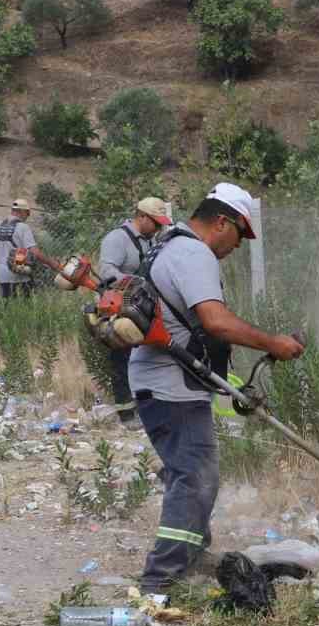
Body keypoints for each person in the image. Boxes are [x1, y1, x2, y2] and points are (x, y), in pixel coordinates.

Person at [131, 182, 304, 594]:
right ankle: (162, 578)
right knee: (196, 478)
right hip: (169, 386)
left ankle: (190, 556)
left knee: (189, 476)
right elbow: (215, 321)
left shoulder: (169, 246)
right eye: (241, 235)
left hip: (166, 382)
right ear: (222, 222)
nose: (239, 246)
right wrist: (273, 342)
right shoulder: (193, 252)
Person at [95, 197, 172, 427]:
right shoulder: (117, 239)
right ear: (142, 217)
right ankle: (126, 413)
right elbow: (107, 271)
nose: (158, 228)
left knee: (141, 358)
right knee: (121, 358)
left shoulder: (149, 240)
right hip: (116, 308)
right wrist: (137, 281)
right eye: (156, 223)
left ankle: (143, 406)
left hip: (136, 307)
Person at [0, 199, 43, 299]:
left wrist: (0, 260)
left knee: (8, 305)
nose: (27, 216)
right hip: (21, 275)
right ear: (22, 212)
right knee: (26, 306)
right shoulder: (23, 227)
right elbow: (34, 252)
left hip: (3, 276)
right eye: (27, 213)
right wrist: (51, 263)